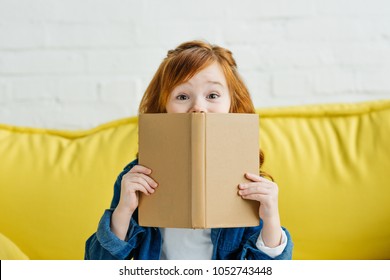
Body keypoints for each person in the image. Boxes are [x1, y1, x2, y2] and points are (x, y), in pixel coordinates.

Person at [85, 40, 293, 260]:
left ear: (232, 105)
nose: (198, 108)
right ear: (163, 107)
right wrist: (123, 212)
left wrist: (271, 219)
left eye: (212, 95)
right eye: (182, 96)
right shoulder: (135, 178)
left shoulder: (250, 180)